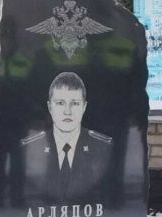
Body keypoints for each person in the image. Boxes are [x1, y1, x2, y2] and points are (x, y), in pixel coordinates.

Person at [20, 72, 113, 204]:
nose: (67, 111)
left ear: (84, 107)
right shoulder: (31, 146)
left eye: (74, 103)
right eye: (60, 103)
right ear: (49, 107)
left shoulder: (103, 146)